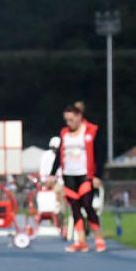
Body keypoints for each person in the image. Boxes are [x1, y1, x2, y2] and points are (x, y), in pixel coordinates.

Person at [48, 101, 105, 252]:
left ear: (79, 117)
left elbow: (100, 154)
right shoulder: (64, 133)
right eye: (66, 120)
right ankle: (81, 241)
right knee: (75, 208)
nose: (69, 123)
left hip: (86, 175)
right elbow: (59, 155)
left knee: (87, 205)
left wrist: (98, 176)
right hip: (69, 175)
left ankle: (99, 238)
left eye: (71, 120)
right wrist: (52, 174)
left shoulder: (91, 131)